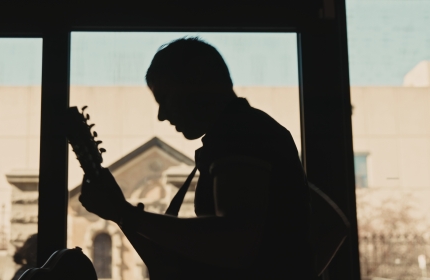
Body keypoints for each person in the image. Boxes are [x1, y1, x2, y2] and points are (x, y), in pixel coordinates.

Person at [79, 37, 315, 279]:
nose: (161, 115)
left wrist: (125, 213)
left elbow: (235, 243)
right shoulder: (239, 132)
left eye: (165, 98)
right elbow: (172, 267)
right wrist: (121, 213)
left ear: (197, 83)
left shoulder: (239, 132)